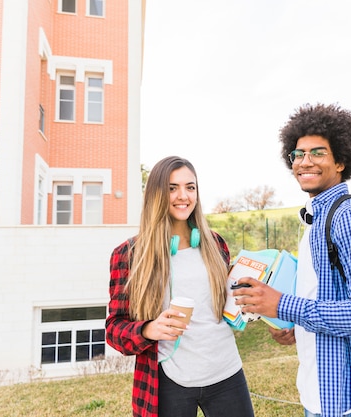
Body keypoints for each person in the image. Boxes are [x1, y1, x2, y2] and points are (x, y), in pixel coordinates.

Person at [233, 103, 351, 417]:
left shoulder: (350, 216)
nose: (304, 162)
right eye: (298, 154)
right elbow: (326, 297)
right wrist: (294, 325)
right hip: (322, 391)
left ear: (340, 161)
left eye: (317, 153)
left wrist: (284, 305)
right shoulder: (314, 220)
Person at [106, 156, 255, 417]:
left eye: (190, 187)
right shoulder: (130, 254)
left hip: (226, 371)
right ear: (156, 193)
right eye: (172, 188)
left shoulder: (215, 244)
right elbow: (114, 330)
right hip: (169, 378)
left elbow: (227, 307)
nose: (183, 196)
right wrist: (149, 329)